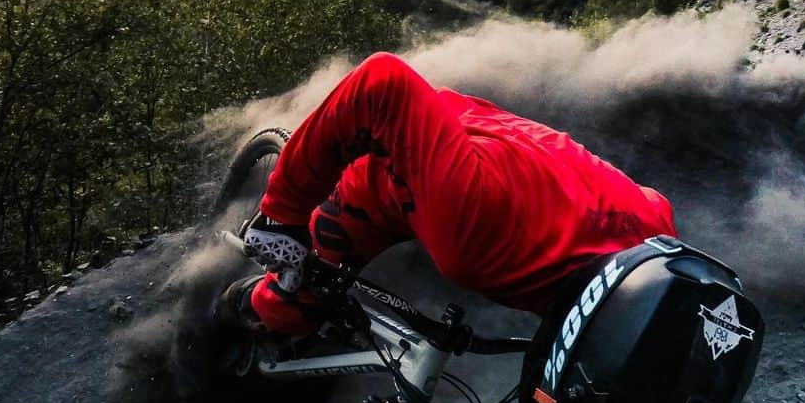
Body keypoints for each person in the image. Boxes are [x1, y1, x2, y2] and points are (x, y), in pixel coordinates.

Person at [223, 50, 677, 338]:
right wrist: (282, 214)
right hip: (396, 182)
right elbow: (383, 81)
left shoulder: (658, 229)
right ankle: (235, 307)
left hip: (487, 146)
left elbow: (652, 197)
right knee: (286, 311)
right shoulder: (477, 235)